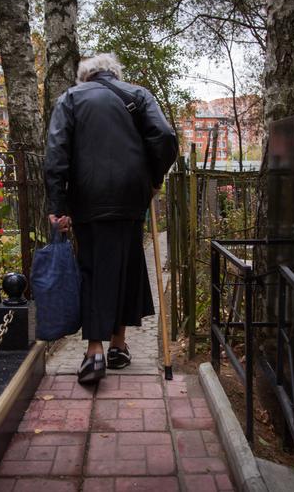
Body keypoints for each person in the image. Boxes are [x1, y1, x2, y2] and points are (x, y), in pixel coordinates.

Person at [44, 53, 178, 384]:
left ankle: (94, 353)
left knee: (93, 267)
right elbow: (165, 137)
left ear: (84, 77)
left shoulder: (71, 98)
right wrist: (154, 177)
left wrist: (58, 205)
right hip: (132, 196)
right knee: (127, 263)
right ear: (114, 74)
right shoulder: (138, 94)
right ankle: (118, 344)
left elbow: (56, 153)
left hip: (89, 197)